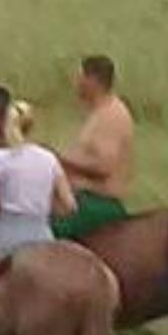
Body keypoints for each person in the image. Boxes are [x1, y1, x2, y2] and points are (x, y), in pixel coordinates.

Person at [0, 100, 76, 274]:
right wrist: (43, 209)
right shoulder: (49, 158)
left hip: (7, 235)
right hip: (41, 234)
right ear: (31, 127)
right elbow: (69, 205)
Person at [53, 54, 134, 239]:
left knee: (47, 233)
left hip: (98, 204)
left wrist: (59, 158)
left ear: (92, 81)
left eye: (80, 78)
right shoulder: (98, 113)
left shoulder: (112, 116)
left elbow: (104, 165)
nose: (75, 83)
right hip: (83, 199)